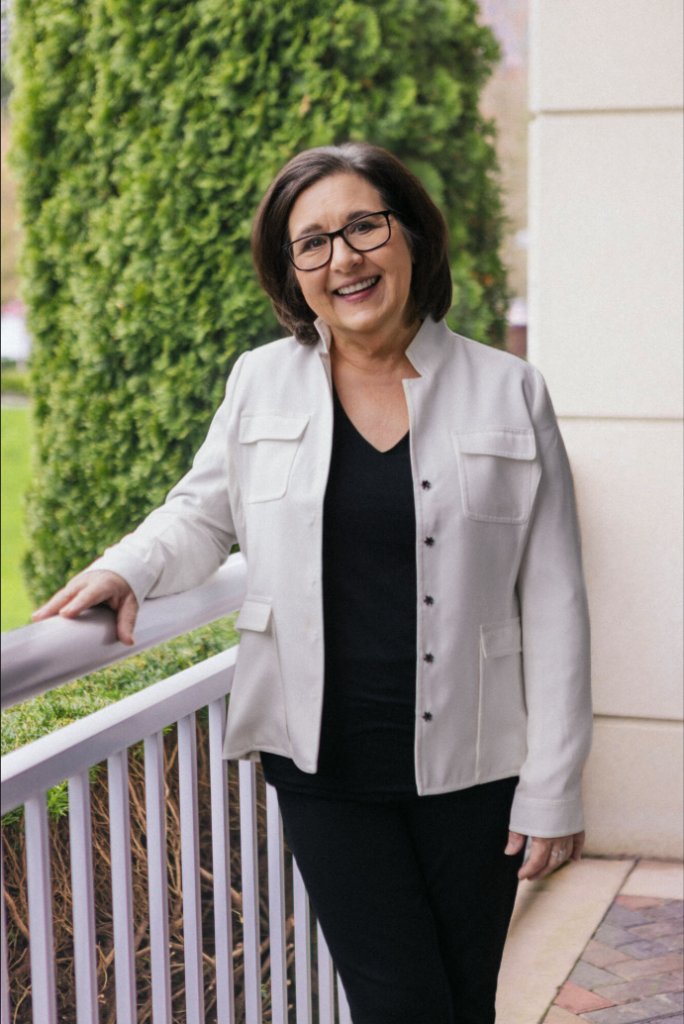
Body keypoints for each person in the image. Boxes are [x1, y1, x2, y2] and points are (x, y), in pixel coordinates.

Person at [33, 143, 593, 1023]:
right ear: (292, 274)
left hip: (478, 769)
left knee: (463, 1000)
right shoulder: (261, 382)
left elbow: (557, 600)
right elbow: (202, 512)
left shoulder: (510, 390)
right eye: (313, 243)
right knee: (401, 1003)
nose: (345, 258)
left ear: (410, 238)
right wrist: (126, 565)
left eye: (364, 226)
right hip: (321, 761)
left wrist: (555, 786)